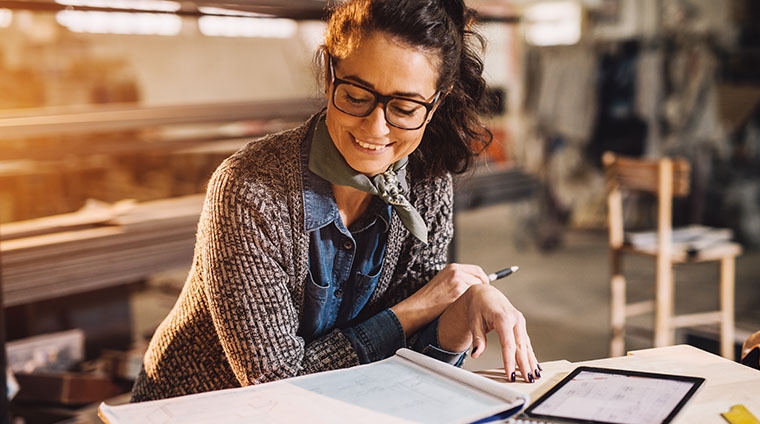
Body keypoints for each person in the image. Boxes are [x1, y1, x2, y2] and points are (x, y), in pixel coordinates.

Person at [131, 0, 540, 402]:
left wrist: (465, 309)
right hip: (196, 409)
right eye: (358, 96)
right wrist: (420, 306)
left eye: (404, 107)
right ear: (330, 75)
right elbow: (277, 383)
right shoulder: (250, 191)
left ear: (435, 103)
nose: (376, 128)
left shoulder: (427, 183)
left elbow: (412, 362)